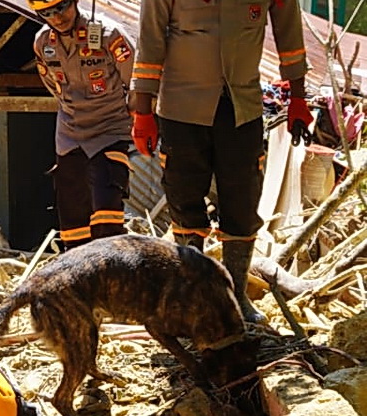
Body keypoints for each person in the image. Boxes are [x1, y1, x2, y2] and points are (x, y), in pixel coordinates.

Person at [129, 0, 312, 322]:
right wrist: (142, 110)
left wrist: (298, 98)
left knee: (242, 203)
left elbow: (290, 35)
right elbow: (150, 40)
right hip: (181, 107)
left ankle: (235, 297)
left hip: (242, 107)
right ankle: (193, 295)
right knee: (184, 200)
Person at [29, 0, 134, 249]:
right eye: (47, 13)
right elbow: (52, 85)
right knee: (73, 227)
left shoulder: (109, 35)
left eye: (61, 8)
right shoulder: (42, 43)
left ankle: (113, 271)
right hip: (69, 136)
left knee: (107, 217)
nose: (57, 18)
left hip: (110, 130)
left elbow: (135, 81)